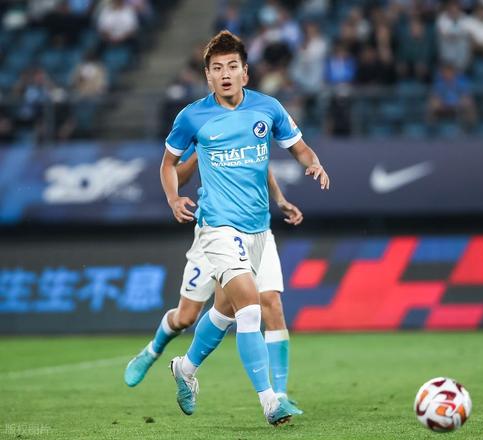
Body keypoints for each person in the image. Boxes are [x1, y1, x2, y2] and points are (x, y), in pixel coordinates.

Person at [159, 30, 329, 426]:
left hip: (259, 230)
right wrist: (173, 198)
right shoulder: (192, 116)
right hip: (218, 227)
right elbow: (168, 164)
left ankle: (185, 367)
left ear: (245, 73)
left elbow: (299, 147)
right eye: (217, 68)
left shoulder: (267, 108)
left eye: (232, 66)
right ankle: (271, 401)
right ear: (207, 75)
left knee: (226, 311)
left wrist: (314, 162)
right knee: (250, 307)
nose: (225, 74)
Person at [123, 153, 304, 414]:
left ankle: (278, 396)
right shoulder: (203, 130)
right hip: (216, 229)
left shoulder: (256, 128)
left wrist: (280, 199)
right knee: (186, 316)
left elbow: (262, 164)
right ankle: (154, 351)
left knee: (268, 302)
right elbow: (174, 173)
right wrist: (199, 154)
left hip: (257, 229)